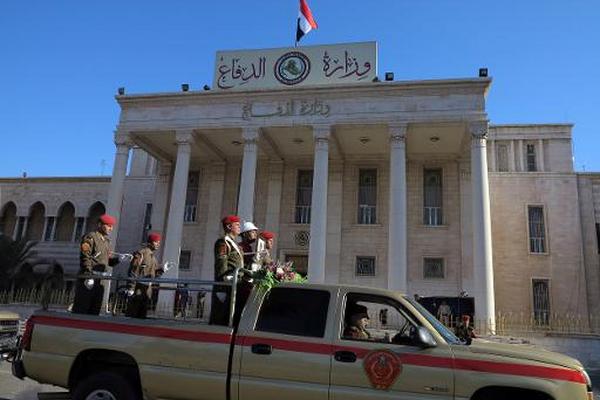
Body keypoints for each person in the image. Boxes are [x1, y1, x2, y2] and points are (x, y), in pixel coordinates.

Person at [72, 214, 121, 315]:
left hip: (101, 280)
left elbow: (107, 262)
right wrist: (88, 275)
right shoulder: (90, 237)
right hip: (89, 278)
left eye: (112, 226)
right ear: (100, 224)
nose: (111, 229)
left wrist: (119, 259)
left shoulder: (106, 241)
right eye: (108, 225)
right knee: (82, 307)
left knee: (95, 309)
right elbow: (85, 256)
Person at [210, 215, 244, 325]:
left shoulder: (234, 243)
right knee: (221, 319)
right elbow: (221, 267)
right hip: (226, 287)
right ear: (229, 226)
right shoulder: (223, 243)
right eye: (237, 225)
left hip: (234, 286)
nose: (240, 227)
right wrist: (222, 288)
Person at [125, 232, 161, 319]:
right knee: (133, 316)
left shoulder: (153, 258)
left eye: (159, 242)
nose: (158, 244)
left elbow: (154, 274)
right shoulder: (141, 253)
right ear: (150, 242)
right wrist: (131, 287)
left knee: (142, 316)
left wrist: (163, 269)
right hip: (138, 288)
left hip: (147, 290)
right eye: (156, 242)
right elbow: (134, 271)